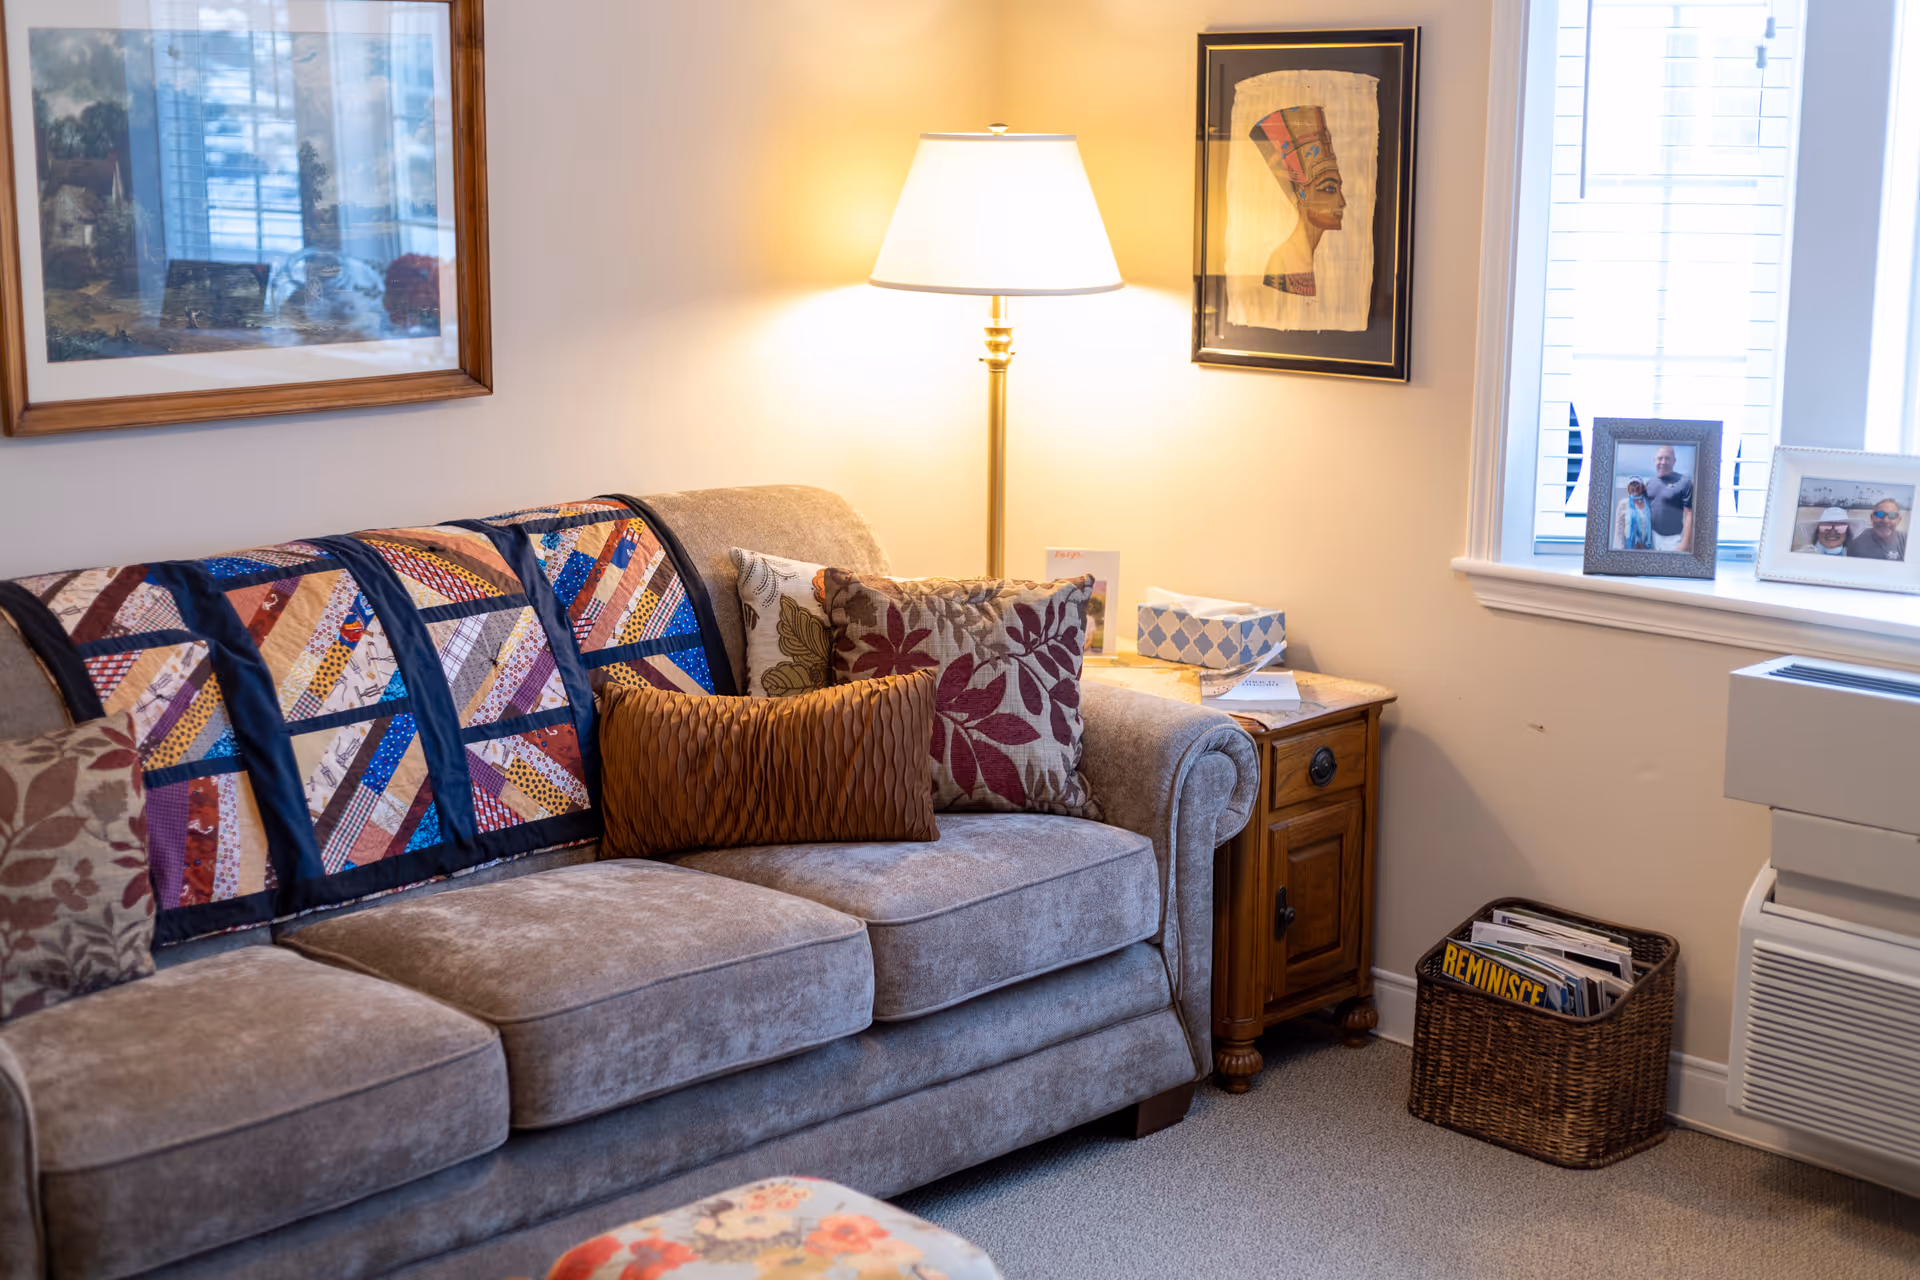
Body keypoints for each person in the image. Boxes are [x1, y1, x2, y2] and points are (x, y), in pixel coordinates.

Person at [1250, 105, 1345, 297]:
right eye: (1329, 189)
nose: (1342, 202)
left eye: (1338, 189)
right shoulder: (1282, 263)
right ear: (1302, 194)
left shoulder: (1318, 258)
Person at [1643, 444, 1693, 552]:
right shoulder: (1650, 483)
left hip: (1674, 540)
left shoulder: (1685, 482)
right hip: (1651, 538)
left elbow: (1689, 514)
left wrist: (1685, 542)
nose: (1663, 462)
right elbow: (1641, 508)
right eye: (1660, 458)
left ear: (1674, 461)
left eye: (1667, 458)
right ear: (1654, 460)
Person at [1612, 477, 1654, 550]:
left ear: (1642, 487)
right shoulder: (1623, 504)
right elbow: (1619, 528)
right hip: (1629, 546)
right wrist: (1619, 548)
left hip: (1646, 546)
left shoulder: (1649, 504)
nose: (1635, 487)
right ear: (1628, 488)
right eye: (1632, 484)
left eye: (1637, 484)